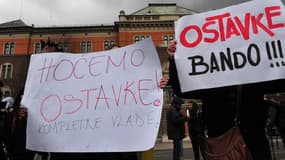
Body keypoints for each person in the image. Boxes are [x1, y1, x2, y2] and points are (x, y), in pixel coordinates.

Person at [160, 40, 285, 160]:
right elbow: (181, 88)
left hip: (244, 146)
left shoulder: (253, 76)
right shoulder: (211, 79)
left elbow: (180, 88)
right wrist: (174, 60)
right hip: (235, 146)